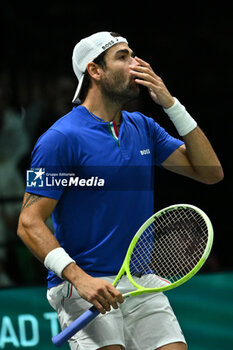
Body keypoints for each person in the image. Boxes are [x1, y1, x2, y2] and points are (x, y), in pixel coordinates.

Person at [17, 31, 223, 350]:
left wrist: (171, 103)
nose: (136, 63)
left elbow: (210, 173)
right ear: (95, 71)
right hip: (85, 284)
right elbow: (29, 223)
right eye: (123, 56)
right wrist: (78, 278)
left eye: (133, 55)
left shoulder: (143, 128)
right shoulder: (61, 138)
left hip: (140, 282)